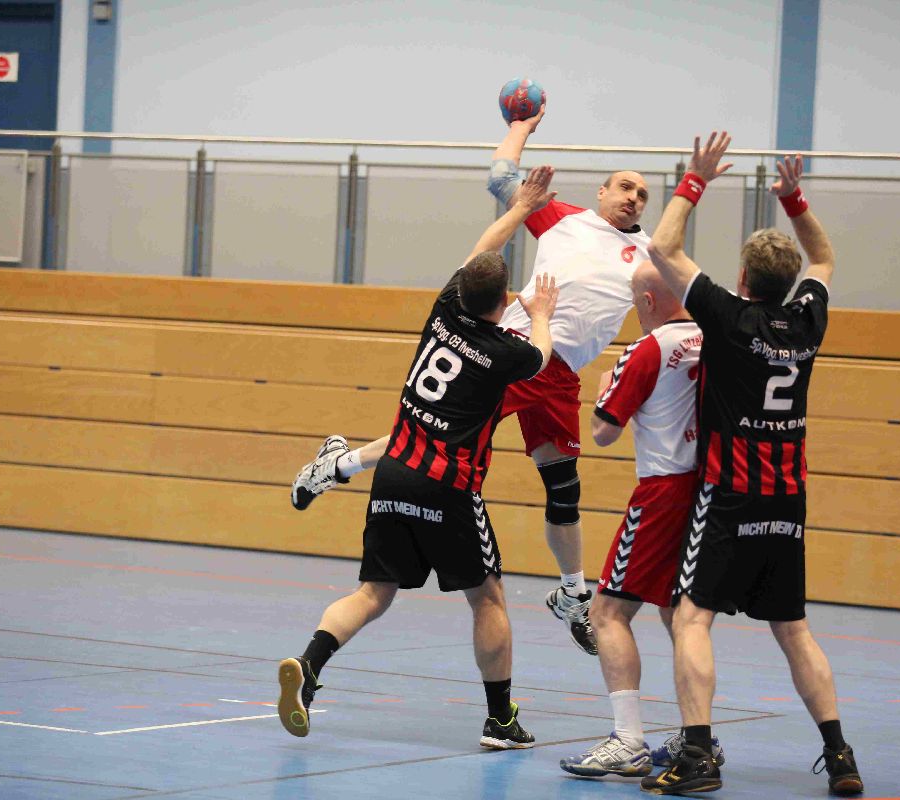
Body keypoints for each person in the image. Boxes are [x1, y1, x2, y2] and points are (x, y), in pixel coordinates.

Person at [292, 104, 654, 656]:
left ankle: (572, 594)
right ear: (602, 192)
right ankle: (337, 465)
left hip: (561, 375)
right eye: (625, 186)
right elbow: (502, 177)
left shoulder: (648, 254)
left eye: (643, 194)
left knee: (564, 489)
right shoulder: (564, 218)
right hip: (517, 353)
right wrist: (520, 129)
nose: (633, 197)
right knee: (434, 436)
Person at [278, 167, 560, 749]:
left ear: (461, 290)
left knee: (372, 593)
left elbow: (482, 250)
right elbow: (543, 354)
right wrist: (541, 311)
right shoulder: (505, 351)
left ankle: (308, 665)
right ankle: (501, 720)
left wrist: (519, 209)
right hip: (448, 488)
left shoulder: (443, 312)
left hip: (394, 475)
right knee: (488, 597)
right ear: (503, 301)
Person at [639, 133, 863, 796]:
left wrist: (695, 180)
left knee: (692, 618)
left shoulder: (728, 317)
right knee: (793, 628)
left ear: (742, 279)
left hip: (729, 495)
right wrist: (793, 199)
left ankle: (698, 755)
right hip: (786, 501)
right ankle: (840, 755)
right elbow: (824, 256)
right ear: (789, 284)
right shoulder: (808, 321)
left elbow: (662, 248)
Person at [557, 262, 724, 777]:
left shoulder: (647, 350)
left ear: (648, 301)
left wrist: (607, 385)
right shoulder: (714, 337)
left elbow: (603, 431)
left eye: (635, 300)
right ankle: (698, 737)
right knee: (680, 615)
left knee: (608, 612)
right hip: (710, 490)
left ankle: (627, 739)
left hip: (662, 491)